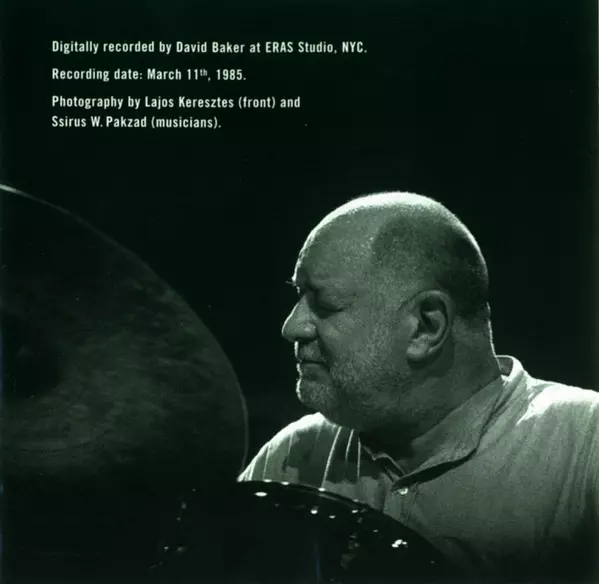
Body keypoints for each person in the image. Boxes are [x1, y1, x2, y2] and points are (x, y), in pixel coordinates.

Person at [238, 192, 599, 582]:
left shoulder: (587, 448)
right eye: (298, 297)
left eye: (325, 305)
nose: (292, 327)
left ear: (426, 326)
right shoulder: (293, 456)